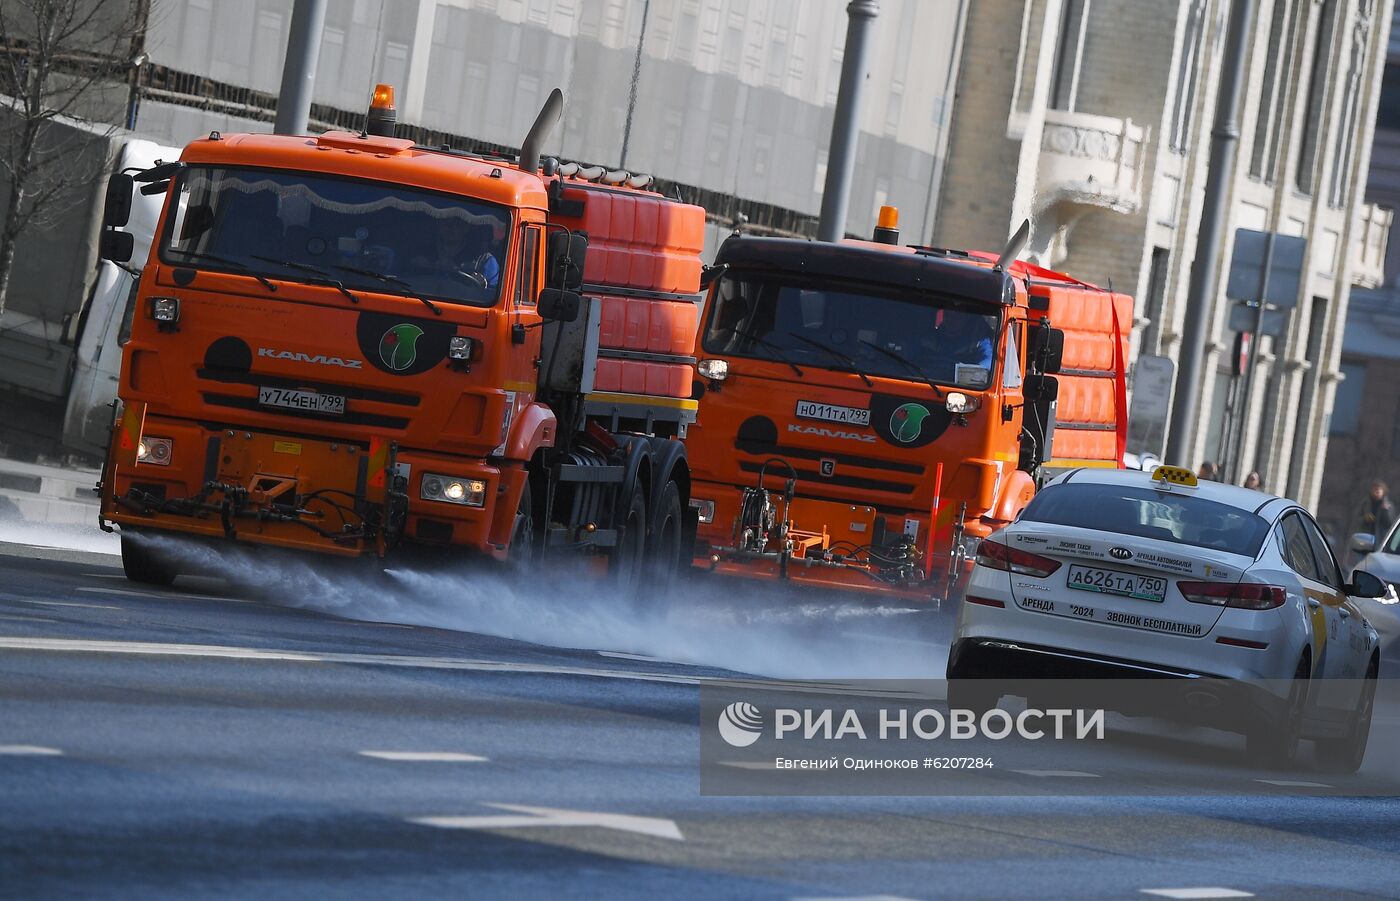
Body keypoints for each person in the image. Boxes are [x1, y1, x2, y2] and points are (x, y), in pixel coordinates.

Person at [412, 217, 501, 291]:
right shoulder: (422, 252)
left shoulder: (484, 260)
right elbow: (402, 280)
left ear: (467, 227)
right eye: (445, 221)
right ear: (438, 224)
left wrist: (482, 285)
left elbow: (494, 293)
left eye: (457, 222)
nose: (450, 227)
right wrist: (419, 267)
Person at [1350, 480, 1397, 550]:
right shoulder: (1365, 504)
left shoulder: (1389, 506)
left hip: (1380, 541)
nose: (1376, 492)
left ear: (1383, 492)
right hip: (1365, 540)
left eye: (1378, 491)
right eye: (1374, 490)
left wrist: (1385, 511)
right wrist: (1365, 519)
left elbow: (1390, 524)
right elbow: (1356, 520)